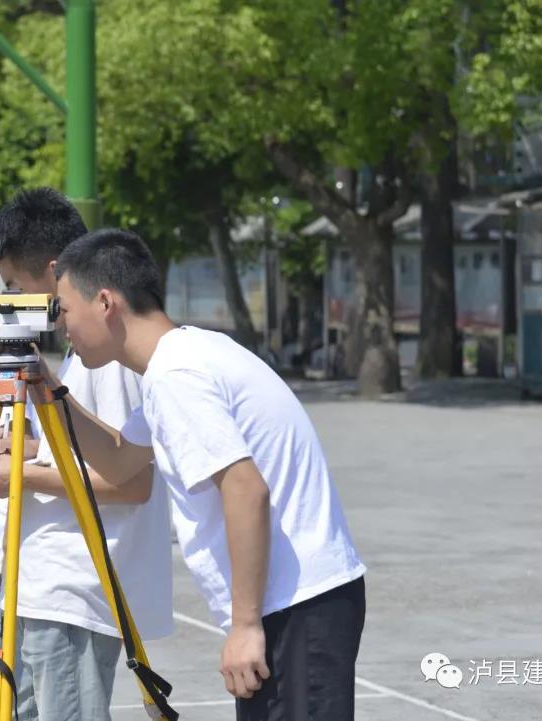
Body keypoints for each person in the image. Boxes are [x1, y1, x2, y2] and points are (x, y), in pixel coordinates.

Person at [51, 228, 368, 721]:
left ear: (106, 302)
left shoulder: (177, 377)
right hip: (296, 602)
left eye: (64, 310)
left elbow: (245, 488)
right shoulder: (185, 355)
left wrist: (244, 627)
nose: (60, 328)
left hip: (296, 606)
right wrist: (44, 388)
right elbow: (117, 459)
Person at [0, 188, 174, 721]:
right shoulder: (87, 353)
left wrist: (20, 473)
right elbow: (91, 454)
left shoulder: (106, 355)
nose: (13, 300)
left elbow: (131, 483)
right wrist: (36, 452)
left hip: (77, 588)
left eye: (17, 286)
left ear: (53, 270)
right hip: (46, 581)